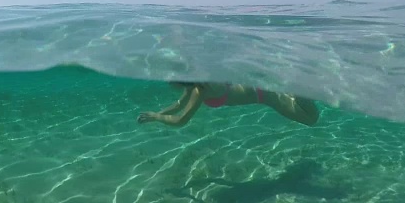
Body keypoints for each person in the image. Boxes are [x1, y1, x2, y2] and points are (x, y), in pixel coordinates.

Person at [137, 81, 319, 127]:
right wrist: (156, 114)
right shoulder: (196, 85)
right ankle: (299, 90)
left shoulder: (200, 91)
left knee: (311, 120)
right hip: (263, 90)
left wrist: (157, 117)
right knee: (309, 114)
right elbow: (178, 105)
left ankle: (301, 89)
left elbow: (180, 121)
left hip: (267, 95)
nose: (168, 82)